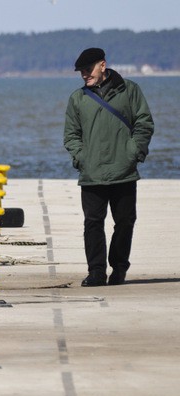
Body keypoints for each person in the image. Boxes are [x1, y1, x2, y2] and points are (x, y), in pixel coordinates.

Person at [63, 47, 155, 287]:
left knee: (125, 222)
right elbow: (71, 135)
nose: (84, 75)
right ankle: (95, 272)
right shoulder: (77, 98)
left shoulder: (130, 90)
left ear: (102, 65)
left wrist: (133, 153)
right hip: (92, 173)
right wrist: (81, 158)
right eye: (81, 72)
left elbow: (144, 123)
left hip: (124, 171)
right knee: (93, 223)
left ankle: (119, 267)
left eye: (88, 69)